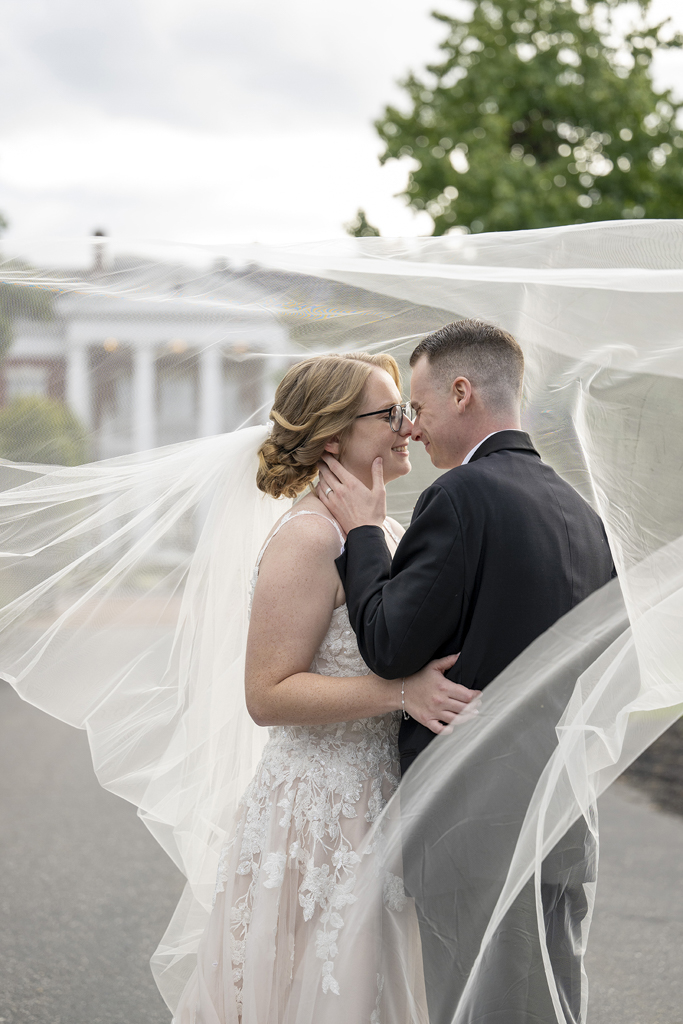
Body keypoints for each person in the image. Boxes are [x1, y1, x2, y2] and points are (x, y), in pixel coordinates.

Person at [317, 320, 617, 1023]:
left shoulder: (459, 497)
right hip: (562, 811)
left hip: (473, 823)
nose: (411, 430)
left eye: (416, 409)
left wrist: (364, 532)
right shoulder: (581, 514)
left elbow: (389, 647)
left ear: (461, 392)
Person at [173, 351, 476, 1023]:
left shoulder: (385, 530)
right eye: (388, 413)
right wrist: (400, 696)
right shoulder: (308, 538)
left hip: (383, 804)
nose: (407, 426)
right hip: (315, 817)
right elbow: (267, 694)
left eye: (405, 409)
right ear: (332, 436)